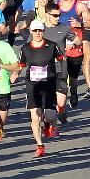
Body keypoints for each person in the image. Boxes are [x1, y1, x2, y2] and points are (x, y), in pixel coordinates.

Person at [19, 20, 64, 156]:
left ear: (43, 31)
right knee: (35, 117)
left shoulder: (52, 46)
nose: (38, 33)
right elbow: (20, 65)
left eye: (40, 31)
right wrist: (13, 74)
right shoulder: (25, 48)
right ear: (31, 32)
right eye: (35, 31)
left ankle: (49, 123)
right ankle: (40, 145)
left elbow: (62, 60)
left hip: (49, 83)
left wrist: (62, 79)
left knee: (50, 115)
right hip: (32, 85)